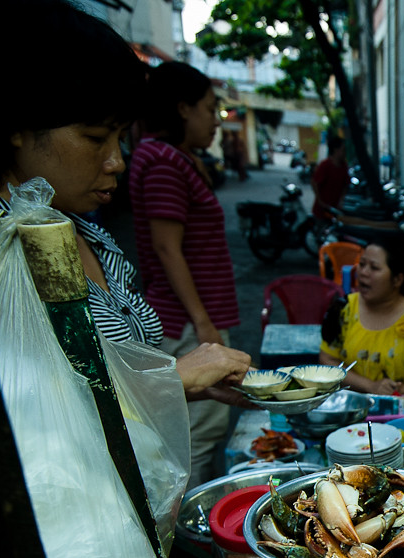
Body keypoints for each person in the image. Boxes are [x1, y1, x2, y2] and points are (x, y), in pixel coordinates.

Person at [0, 0, 251, 428]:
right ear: (16, 124)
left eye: (121, 137)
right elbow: (19, 410)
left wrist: (183, 385)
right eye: (94, 137)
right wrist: (172, 377)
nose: (116, 161)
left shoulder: (84, 228)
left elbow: (115, 382)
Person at [128, 61, 245, 487]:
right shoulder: (162, 162)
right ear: (182, 109)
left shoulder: (177, 158)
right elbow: (165, 248)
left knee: (207, 429)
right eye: (210, 109)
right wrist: (202, 321)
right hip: (187, 322)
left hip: (197, 318)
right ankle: (192, 527)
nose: (216, 120)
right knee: (197, 434)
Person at [318, 239, 404, 410]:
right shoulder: (343, 310)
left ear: (397, 279)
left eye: (374, 268)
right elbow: (327, 359)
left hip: (402, 414)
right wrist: (371, 387)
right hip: (349, 409)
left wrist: (395, 393)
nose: (363, 273)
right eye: (362, 265)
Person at [312, 133, 349, 223]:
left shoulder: (344, 166)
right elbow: (315, 183)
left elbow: (346, 184)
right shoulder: (325, 165)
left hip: (334, 210)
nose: (344, 152)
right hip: (322, 211)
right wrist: (320, 201)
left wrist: (341, 200)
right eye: (343, 150)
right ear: (336, 150)